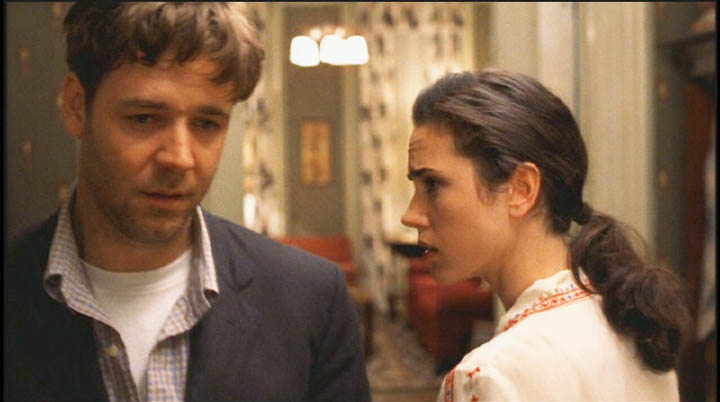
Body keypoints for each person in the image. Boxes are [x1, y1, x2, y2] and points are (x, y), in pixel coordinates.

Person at [4, 3, 370, 401]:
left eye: (206, 124)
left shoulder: (313, 300)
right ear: (77, 106)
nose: (180, 158)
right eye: (144, 118)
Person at [401, 70, 690, 401]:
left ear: (521, 189)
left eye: (433, 185)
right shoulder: (637, 329)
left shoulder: (489, 377)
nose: (410, 215)